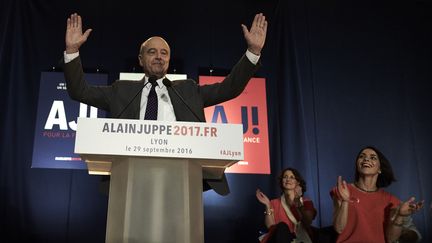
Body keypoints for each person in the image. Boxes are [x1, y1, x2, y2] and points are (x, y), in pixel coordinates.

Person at [63, 13, 267, 195]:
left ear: (169, 61)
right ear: (141, 59)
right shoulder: (121, 90)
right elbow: (79, 91)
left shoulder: (188, 89)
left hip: (182, 177)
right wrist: (72, 51)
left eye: (164, 53)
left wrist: (252, 53)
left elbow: (229, 88)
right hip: (130, 177)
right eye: (152, 52)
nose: (159, 57)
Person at [331, 146, 424, 243]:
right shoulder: (343, 189)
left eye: (373, 157)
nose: (366, 159)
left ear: (380, 169)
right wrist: (345, 200)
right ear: (357, 165)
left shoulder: (391, 200)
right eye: (362, 156)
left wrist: (400, 216)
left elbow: (391, 239)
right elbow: (339, 228)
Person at [256, 168, 317, 243]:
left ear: (297, 183)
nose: (288, 179)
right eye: (285, 177)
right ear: (282, 181)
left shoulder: (306, 202)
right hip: (280, 239)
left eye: (292, 177)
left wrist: (297, 201)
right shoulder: (273, 203)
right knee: (282, 227)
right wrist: (267, 205)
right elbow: (270, 227)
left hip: (300, 239)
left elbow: (307, 222)